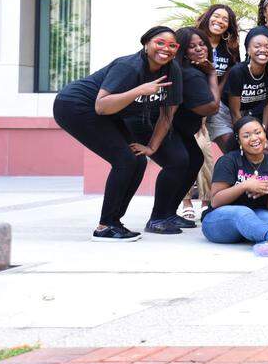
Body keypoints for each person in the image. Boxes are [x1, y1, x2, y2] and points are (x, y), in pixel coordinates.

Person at [53, 26, 185, 241]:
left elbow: (167, 115)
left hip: (108, 113)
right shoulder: (128, 67)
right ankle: (105, 226)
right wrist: (138, 91)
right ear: (146, 44)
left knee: (138, 159)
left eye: (172, 45)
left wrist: (151, 147)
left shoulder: (172, 71)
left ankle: (114, 221)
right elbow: (101, 106)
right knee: (124, 160)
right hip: (75, 106)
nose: (166, 49)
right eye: (159, 43)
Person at [203, 116, 268, 257]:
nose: (254, 138)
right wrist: (245, 185)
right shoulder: (228, 161)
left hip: (255, 217)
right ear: (239, 141)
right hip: (220, 221)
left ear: (265, 134)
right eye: (246, 136)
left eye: (258, 132)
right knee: (242, 212)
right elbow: (215, 201)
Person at [170, 28, 222, 226]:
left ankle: (167, 212)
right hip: (173, 130)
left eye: (202, 45)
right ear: (182, 50)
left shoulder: (187, 69)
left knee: (194, 160)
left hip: (183, 129)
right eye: (192, 47)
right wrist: (212, 74)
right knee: (180, 164)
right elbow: (213, 107)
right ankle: (165, 213)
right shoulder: (190, 73)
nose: (199, 49)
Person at [220, 30, 268, 153]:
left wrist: (263, 134)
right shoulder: (238, 72)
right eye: (257, 46)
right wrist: (250, 138)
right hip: (225, 113)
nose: (263, 50)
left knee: (265, 150)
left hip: (246, 113)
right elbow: (234, 111)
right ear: (248, 50)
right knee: (235, 149)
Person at [195, 4, 241, 156]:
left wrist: (214, 100)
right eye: (216, 16)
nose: (219, 21)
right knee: (195, 153)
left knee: (231, 147)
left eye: (225, 19)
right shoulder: (194, 41)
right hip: (193, 103)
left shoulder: (230, 47)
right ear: (208, 17)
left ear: (229, 25)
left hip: (218, 104)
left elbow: (229, 75)